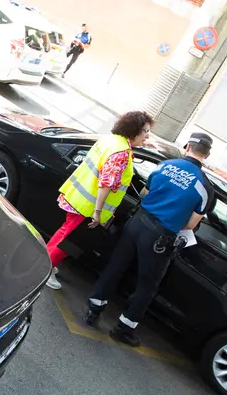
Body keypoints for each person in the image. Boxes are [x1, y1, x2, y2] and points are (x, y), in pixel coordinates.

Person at [83, 132, 216, 347]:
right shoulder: (205, 187)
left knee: (115, 267)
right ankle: (124, 328)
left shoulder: (165, 165)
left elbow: (144, 193)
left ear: (186, 146)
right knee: (147, 285)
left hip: (137, 222)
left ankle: (93, 310)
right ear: (207, 155)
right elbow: (190, 225)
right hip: (160, 237)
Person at [45, 111, 153, 290]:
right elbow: (106, 184)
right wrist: (98, 212)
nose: (147, 136)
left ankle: (46, 260)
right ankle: (46, 270)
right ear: (134, 130)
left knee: (65, 232)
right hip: (88, 205)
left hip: (78, 197)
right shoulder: (121, 152)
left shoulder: (111, 141)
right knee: (70, 239)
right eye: (145, 131)